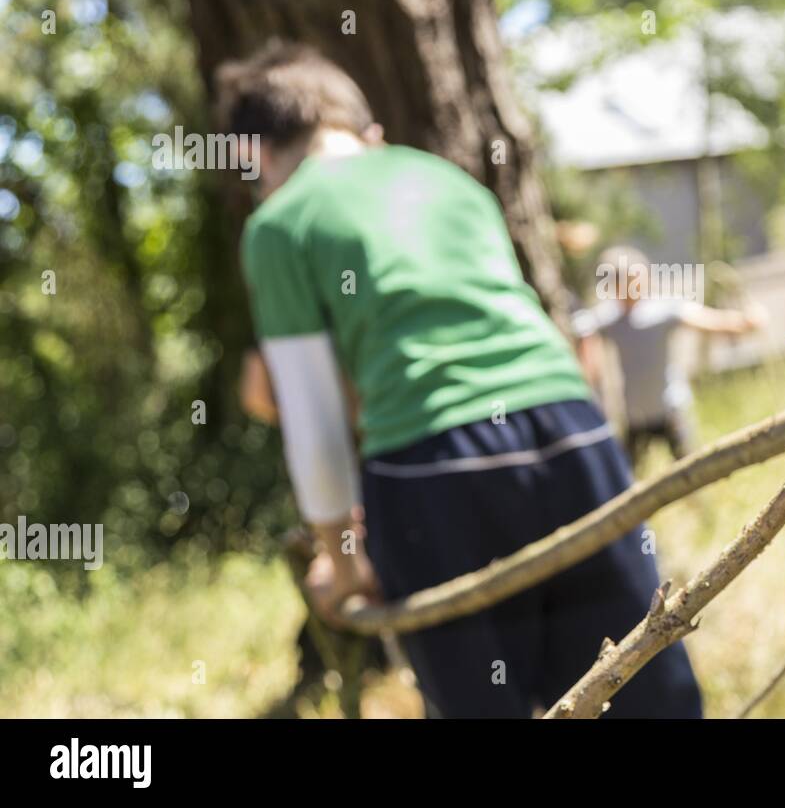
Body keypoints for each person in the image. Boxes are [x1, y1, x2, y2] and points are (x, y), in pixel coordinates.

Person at [224, 41, 702, 718]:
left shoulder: (279, 222)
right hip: (574, 434)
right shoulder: (446, 180)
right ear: (369, 133)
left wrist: (345, 556)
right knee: (638, 685)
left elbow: (312, 414)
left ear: (257, 158)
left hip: (434, 470)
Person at [573, 246, 763, 468]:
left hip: (670, 408)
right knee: (627, 475)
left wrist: (746, 322)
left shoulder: (663, 310)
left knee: (691, 469)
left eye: (638, 278)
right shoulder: (609, 319)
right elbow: (583, 327)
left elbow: (710, 321)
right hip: (635, 415)